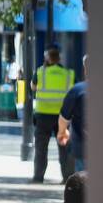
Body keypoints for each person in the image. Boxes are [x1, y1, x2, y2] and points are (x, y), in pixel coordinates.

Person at [30, 46, 76, 183]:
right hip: (63, 116)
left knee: (41, 148)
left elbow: (33, 87)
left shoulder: (40, 72)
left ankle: (38, 177)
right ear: (60, 58)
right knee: (64, 148)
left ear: (48, 59)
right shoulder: (68, 74)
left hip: (43, 115)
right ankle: (67, 177)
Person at [58, 55, 87, 172]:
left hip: (83, 148)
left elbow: (64, 118)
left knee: (82, 183)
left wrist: (62, 132)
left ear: (86, 69)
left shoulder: (77, 90)